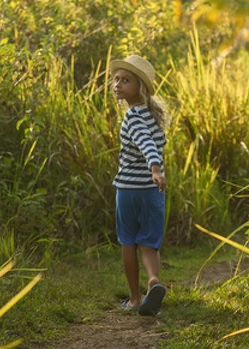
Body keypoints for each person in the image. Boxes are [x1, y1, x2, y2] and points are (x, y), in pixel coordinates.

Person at [110, 54, 168, 316]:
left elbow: (146, 144)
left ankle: (135, 298)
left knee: (128, 240)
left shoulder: (133, 116)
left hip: (130, 190)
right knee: (149, 242)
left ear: (140, 87)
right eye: (116, 79)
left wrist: (155, 169)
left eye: (125, 80)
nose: (118, 85)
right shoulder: (153, 115)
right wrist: (155, 175)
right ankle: (153, 281)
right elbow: (153, 142)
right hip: (152, 192)